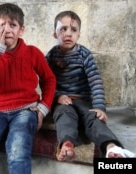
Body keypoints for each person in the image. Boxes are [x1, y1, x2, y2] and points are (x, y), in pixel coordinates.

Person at [0, 3, 56, 174]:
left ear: (21, 30)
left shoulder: (32, 53)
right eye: (2, 25)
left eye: (13, 25)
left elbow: (49, 79)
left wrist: (43, 108)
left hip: (26, 110)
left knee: (17, 150)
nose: (7, 30)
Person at [46, 10, 134, 161]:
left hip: (82, 100)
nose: (68, 34)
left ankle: (111, 147)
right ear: (55, 34)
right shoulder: (51, 56)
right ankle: (67, 144)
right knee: (64, 116)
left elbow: (96, 82)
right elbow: (46, 82)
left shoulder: (84, 55)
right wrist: (58, 96)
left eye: (73, 30)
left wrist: (100, 107)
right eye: (63, 29)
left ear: (79, 34)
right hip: (63, 101)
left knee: (92, 118)